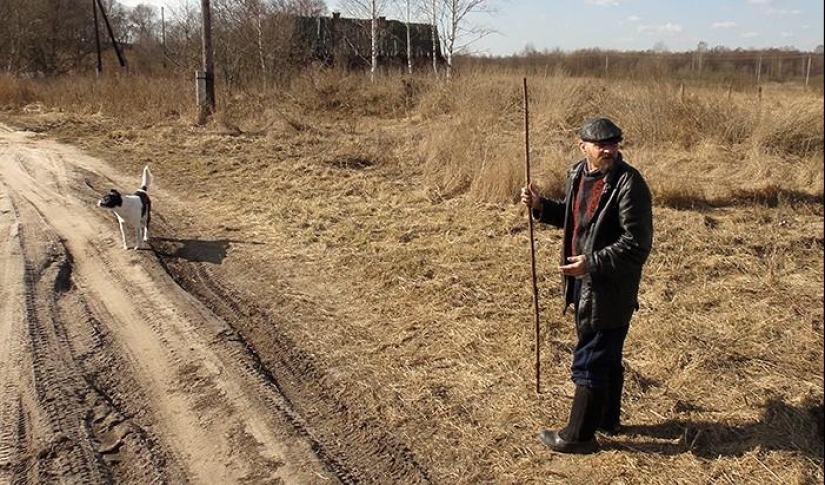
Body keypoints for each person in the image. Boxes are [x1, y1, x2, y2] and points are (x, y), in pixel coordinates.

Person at [521, 117, 653, 454]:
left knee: (591, 358)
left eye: (614, 143)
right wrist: (541, 207)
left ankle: (578, 436)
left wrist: (592, 262)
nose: (609, 149)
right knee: (606, 356)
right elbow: (574, 218)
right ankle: (606, 420)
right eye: (601, 144)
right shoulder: (577, 174)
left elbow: (636, 244)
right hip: (582, 281)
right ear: (583, 146)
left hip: (610, 286)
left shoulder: (629, 184)